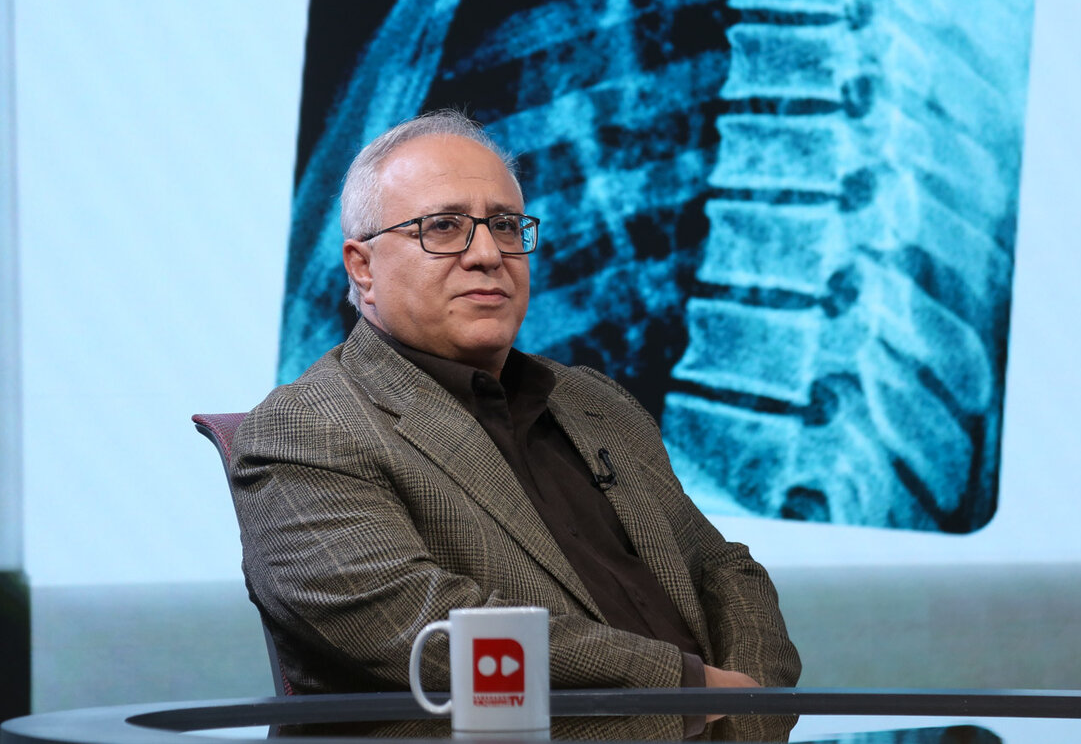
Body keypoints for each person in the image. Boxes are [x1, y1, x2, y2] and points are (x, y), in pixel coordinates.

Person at [229, 111, 800, 735]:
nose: (487, 254)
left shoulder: (595, 402)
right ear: (363, 267)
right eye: (443, 227)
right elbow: (424, 630)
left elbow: (723, 569)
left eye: (505, 225)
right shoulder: (303, 430)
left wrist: (749, 719)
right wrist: (687, 691)